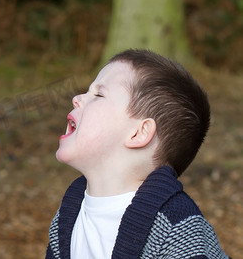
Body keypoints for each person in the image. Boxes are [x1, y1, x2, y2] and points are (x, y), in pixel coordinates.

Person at [46, 49, 230, 259]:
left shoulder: (177, 228)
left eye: (98, 94)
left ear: (138, 133)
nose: (77, 98)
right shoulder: (69, 214)